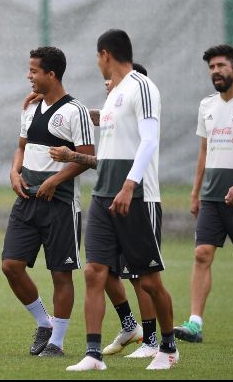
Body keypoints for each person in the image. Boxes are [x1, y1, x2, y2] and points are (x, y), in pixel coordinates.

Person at [66, 29, 177, 371]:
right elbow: (108, 126)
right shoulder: (115, 94)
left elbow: (149, 141)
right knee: (95, 272)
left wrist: (129, 185)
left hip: (137, 196)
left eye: (97, 57)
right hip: (103, 195)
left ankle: (168, 349)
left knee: (147, 280)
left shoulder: (142, 85)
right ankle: (93, 355)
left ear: (105, 55)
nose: (97, 63)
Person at [49, 62, 160, 359]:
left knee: (141, 276)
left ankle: (154, 341)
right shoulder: (114, 114)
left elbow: (107, 160)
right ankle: (128, 326)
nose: (108, 84)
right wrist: (53, 102)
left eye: (114, 80)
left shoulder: (139, 113)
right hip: (108, 199)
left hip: (138, 198)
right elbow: (96, 119)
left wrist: (71, 155)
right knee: (100, 270)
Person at [173, 44, 233, 344]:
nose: (216, 71)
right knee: (202, 254)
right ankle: (194, 323)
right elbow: (204, 152)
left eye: (221, 66)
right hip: (211, 197)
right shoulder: (207, 106)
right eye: (212, 67)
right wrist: (195, 192)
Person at [2, 46, 95, 358]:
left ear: (51, 74)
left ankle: (56, 343)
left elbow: (88, 156)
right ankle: (44, 322)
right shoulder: (30, 109)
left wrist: (56, 180)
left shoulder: (75, 111)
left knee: (60, 274)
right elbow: (20, 147)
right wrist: (14, 172)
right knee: (11, 265)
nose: (29, 76)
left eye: (34, 71)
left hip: (61, 205)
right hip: (27, 199)